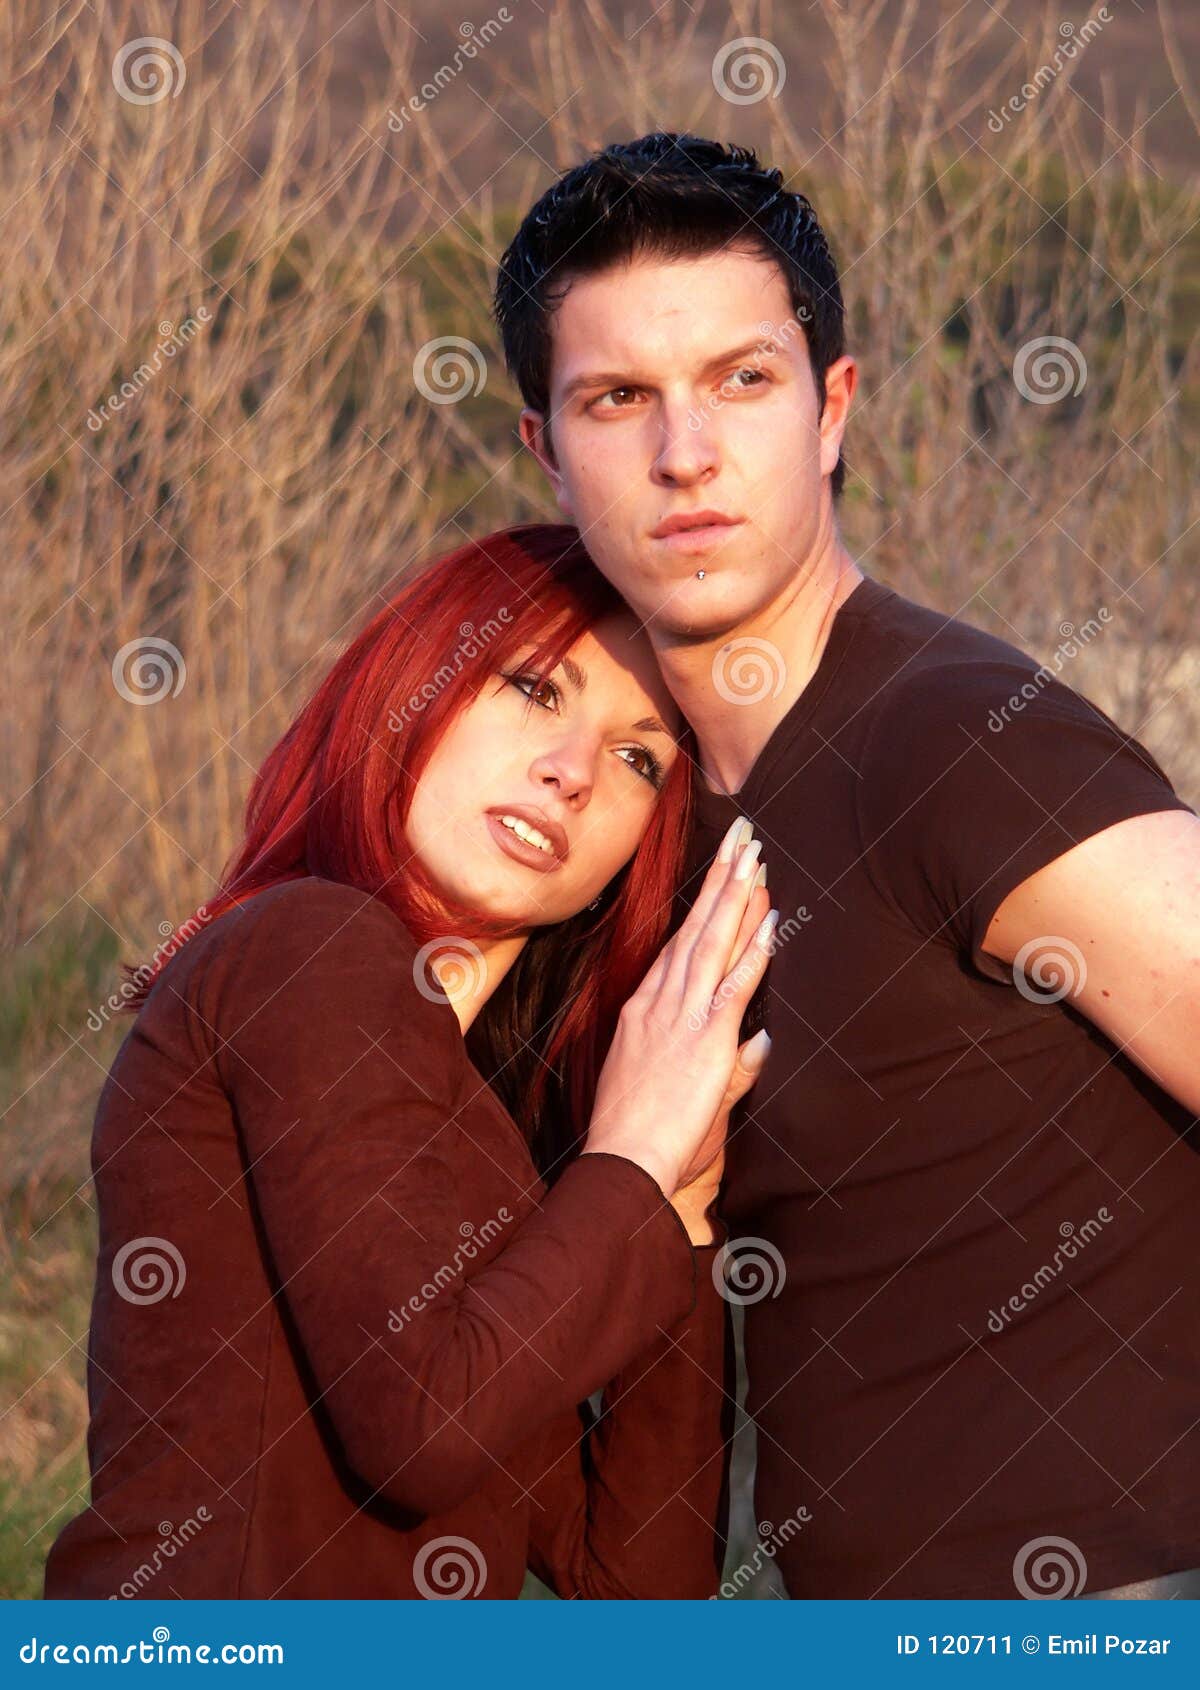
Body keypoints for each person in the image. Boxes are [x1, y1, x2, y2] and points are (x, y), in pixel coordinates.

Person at [494, 133, 1200, 1600]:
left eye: (743, 381)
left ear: (832, 409)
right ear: (544, 450)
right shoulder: (644, 815)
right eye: (618, 398)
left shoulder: (960, 742)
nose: (684, 454)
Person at [43, 523, 778, 1600]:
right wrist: (629, 1159)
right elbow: (423, 1426)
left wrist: (680, 1206)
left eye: (636, 758)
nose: (571, 773)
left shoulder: (485, 1128)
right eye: (534, 688)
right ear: (414, 686)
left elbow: (639, 1589)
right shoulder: (309, 947)